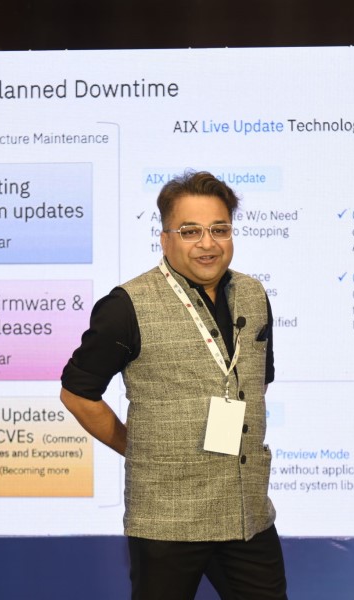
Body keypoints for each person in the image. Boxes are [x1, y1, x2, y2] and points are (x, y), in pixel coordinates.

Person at [60, 170, 287, 599]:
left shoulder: (254, 295)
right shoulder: (126, 305)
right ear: (165, 239)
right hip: (167, 516)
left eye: (219, 229)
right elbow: (76, 393)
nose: (208, 243)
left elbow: (257, 383)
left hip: (245, 510)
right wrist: (133, 446)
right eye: (190, 231)